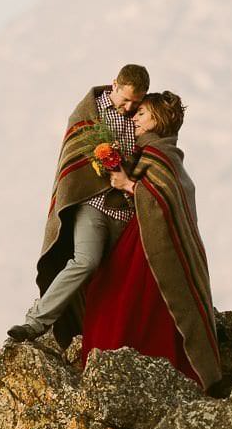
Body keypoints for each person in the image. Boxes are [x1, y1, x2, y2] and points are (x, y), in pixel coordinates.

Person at [80, 90, 221, 391]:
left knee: (131, 305)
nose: (135, 118)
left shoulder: (161, 155)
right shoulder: (150, 152)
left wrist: (130, 185)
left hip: (151, 248)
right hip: (141, 236)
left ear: (158, 119)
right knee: (108, 295)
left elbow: (164, 200)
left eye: (141, 113)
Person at [7, 65, 149, 348]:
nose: (131, 106)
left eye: (137, 101)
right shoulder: (88, 115)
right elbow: (76, 164)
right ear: (115, 86)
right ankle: (35, 322)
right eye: (127, 99)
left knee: (133, 276)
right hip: (93, 205)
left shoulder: (143, 115)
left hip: (130, 211)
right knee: (85, 261)